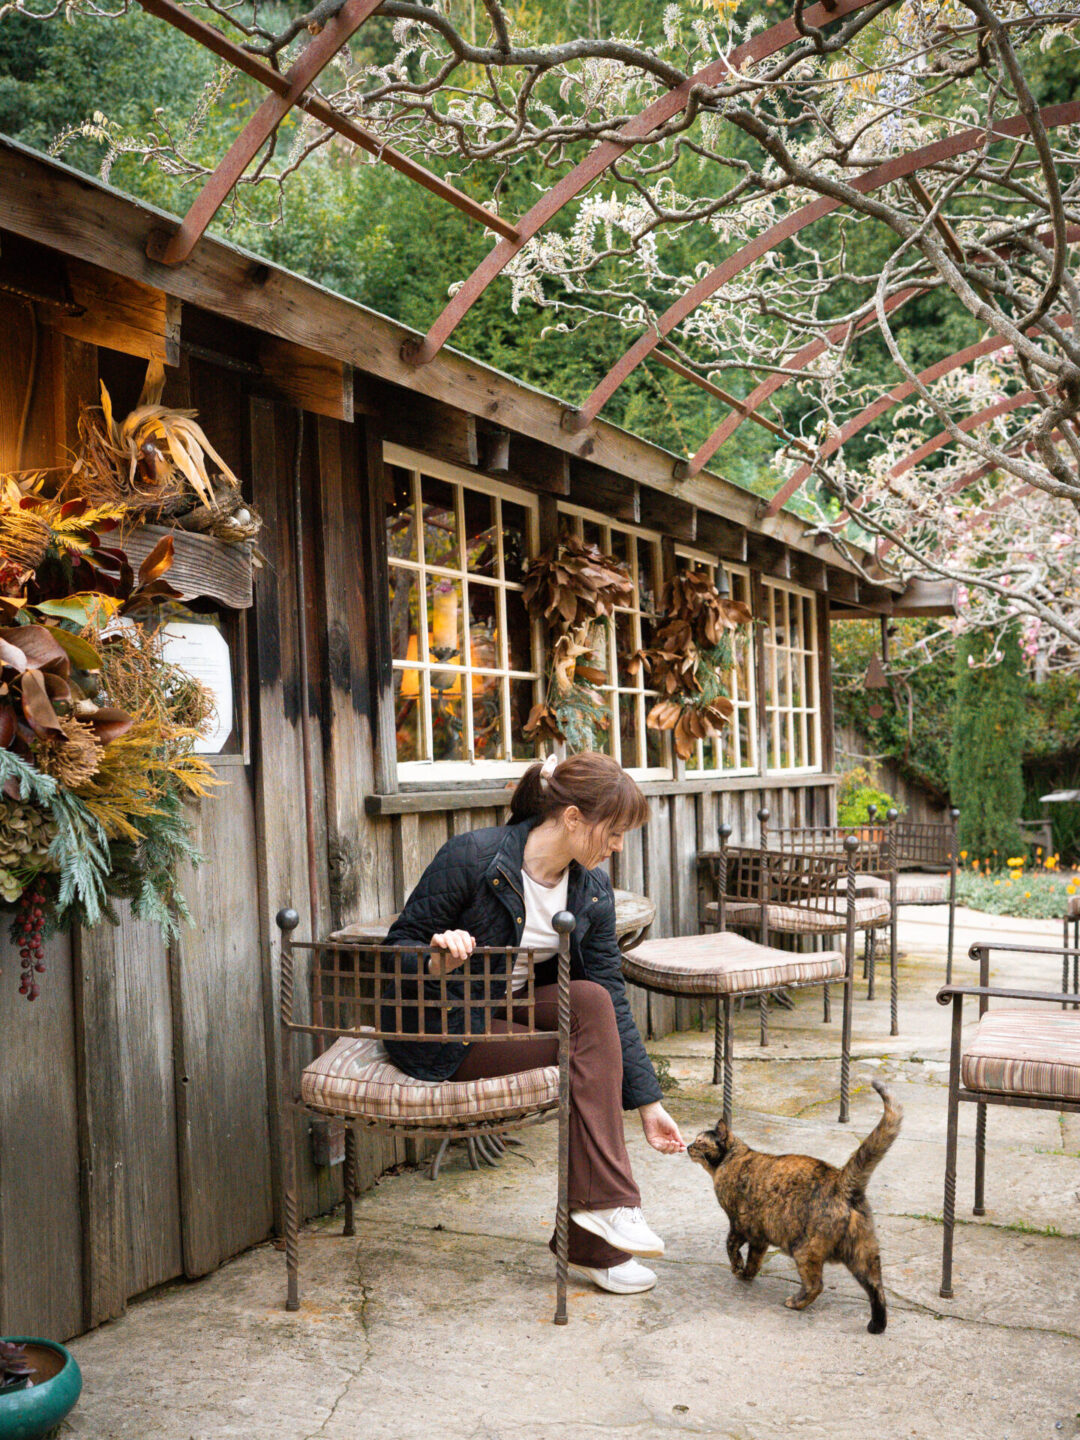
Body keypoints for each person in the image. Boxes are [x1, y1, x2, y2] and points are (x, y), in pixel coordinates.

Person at [383, 751, 685, 1295]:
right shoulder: (474, 857)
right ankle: (603, 1229)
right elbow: (395, 948)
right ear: (572, 818)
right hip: (443, 1028)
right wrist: (435, 955)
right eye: (614, 832)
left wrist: (648, 1103)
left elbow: (613, 1002)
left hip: (510, 1013)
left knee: (592, 1001)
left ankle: (605, 1216)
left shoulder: (590, 891)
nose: (618, 846)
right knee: (584, 1053)